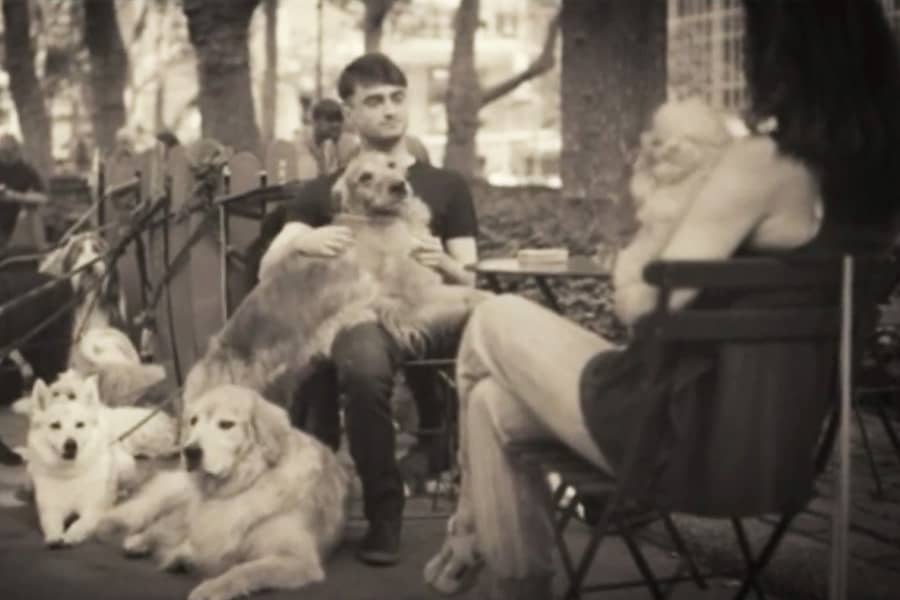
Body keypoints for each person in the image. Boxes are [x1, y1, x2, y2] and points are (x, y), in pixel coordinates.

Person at [422, 1, 900, 598]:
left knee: (492, 315)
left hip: (679, 442)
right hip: (779, 455)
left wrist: (651, 220)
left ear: (777, 51)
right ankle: (508, 575)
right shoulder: (877, 186)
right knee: (491, 403)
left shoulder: (761, 164)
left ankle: (466, 535)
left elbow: (641, 302)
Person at [247, 52, 479, 566]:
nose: (390, 111)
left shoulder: (446, 186)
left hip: (434, 309)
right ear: (350, 114)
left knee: (504, 327)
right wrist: (301, 244)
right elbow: (267, 267)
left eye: (397, 99)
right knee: (363, 360)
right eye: (374, 101)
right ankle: (384, 508)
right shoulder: (323, 192)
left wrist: (443, 259)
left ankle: (534, 489)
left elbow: (473, 274)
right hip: (367, 315)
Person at [296, 98, 360, 179]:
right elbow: (307, 181)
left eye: (339, 120)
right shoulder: (301, 144)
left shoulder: (328, 143)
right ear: (315, 121)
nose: (336, 125)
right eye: (330, 120)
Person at [0, 134, 45, 248]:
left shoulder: (26, 170)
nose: (6, 155)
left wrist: (15, 196)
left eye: (9, 151)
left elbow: (42, 197)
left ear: (17, 150)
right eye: (3, 151)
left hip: (9, 226)